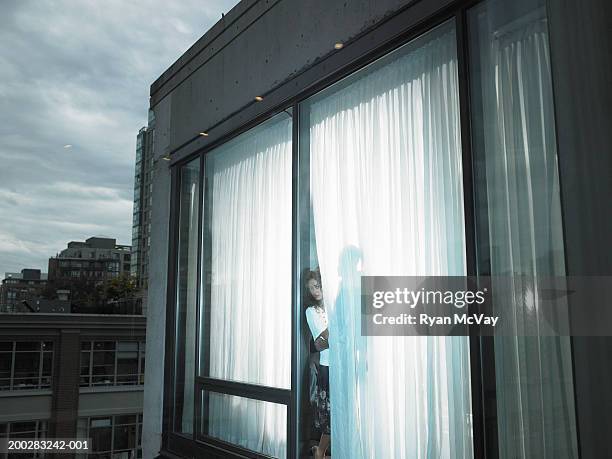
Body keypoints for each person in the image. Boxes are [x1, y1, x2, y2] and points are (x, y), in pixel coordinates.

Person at [304, 269, 330, 459]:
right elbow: (320, 344)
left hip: (343, 366)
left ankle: (321, 451)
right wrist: (338, 325)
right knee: (329, 417)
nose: (316, 290)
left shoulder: (333, 305)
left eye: (318, 285)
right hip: (327, 367)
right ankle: (320, 451)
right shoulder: (311, 311)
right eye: (312, 287)